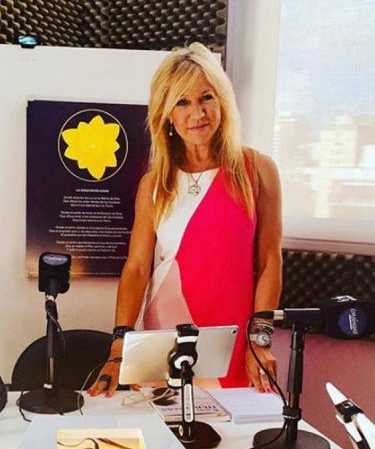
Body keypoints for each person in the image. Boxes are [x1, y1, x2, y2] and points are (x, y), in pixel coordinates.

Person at [90, 42, 282, 397]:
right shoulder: (153, 184)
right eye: (182, 102)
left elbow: (270, 260)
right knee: (163, 426)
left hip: (233, 341)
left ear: (222, 100)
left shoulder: (257, 170)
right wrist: (119, 346)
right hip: (163, 335)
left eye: (206, 97)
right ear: (167, 115)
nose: (198, 113)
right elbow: (137, 268)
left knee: (232, 429)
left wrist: (260, 339)